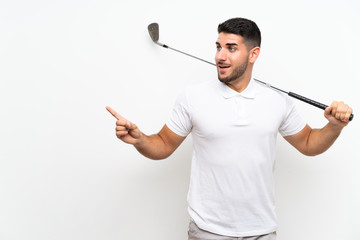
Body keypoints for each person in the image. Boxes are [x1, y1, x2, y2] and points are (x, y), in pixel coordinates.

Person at [106, 17, 353, 240]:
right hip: (207, 231)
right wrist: (140, 140)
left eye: (231, 48)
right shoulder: (193, 97)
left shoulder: (277, 101)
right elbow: (163, 144)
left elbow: (309, 143)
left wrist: (334, 127)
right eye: (218, 47)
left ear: (253, 54)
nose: (220, 56)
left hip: (262, 231)